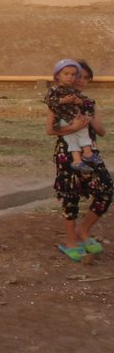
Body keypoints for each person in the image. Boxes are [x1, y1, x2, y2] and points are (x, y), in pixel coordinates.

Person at [46, 59, 111, 262]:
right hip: (67, 153)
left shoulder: (89, 103)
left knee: (106, 190)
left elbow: (101, 131)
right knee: (70, 195)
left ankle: (84, 230)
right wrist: (73, 128)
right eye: (78, 76)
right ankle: (71, 241)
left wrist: (90, 118)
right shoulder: (60, 99)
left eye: (85, 78)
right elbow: (50, 130)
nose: (81, 80)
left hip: (90, 151)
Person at [44, 59, 98, 173]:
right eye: (67, 74)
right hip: (65, 120)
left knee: (79, 135)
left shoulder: (76, 93)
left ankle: (81, 158)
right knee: (75, 136)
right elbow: (49, 129)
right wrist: (63, 100)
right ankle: (83, 156)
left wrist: (80, 103)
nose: (71, 77)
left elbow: (101, 131)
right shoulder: (55, 90)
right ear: (58, 75)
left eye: (73, 75)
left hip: (74, 119)